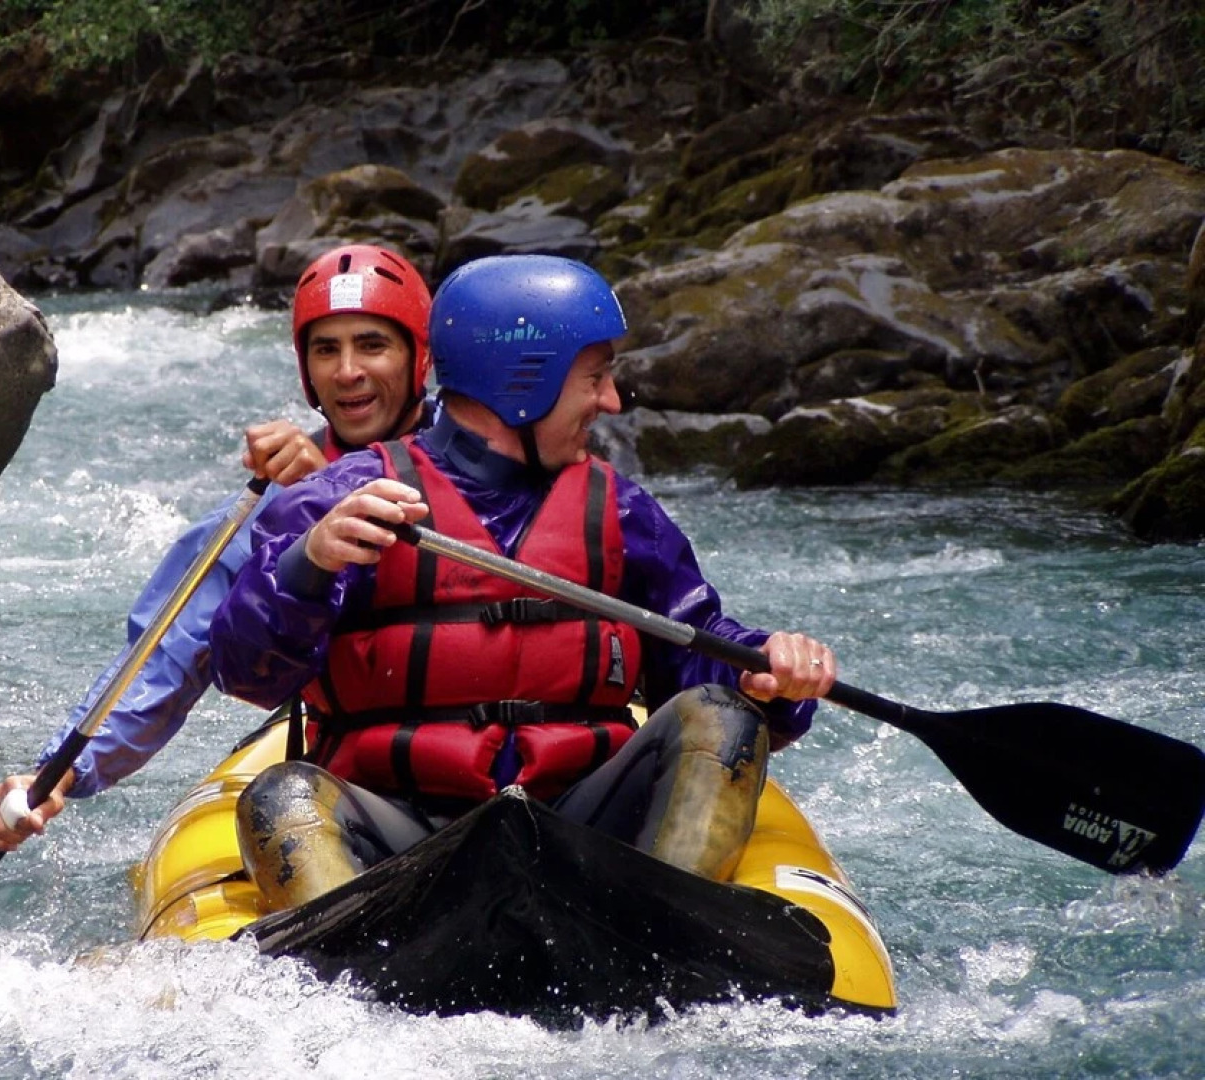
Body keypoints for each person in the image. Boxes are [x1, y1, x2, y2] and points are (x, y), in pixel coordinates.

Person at [208, 253, 837, 912]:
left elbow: (697, 652)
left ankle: (666, 936)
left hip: (581, 824)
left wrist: (766, 672)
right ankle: (346, 967)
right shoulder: (341, 503)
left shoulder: (622, 513)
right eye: (594, 378)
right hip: (403, 844)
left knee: (722, 714)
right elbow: (245, 671)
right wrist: (310, 562)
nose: (612, 400)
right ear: (523, 385)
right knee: (279, 796)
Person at [0, 244, 436, 852]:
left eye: (372, 345)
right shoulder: (277, 501)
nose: (347, 371)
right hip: (374, 783)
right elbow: (170, 649)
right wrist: (60, 772)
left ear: (419, 358)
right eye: (326, 349)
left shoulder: (491, 455)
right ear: (306, 371)